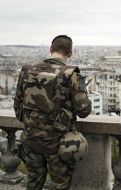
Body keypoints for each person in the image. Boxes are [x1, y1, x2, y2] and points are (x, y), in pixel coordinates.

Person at [14, 35, 91, 190]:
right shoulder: (70, 75)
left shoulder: (28, 71)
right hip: (56, 144)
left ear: (50, 49)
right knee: (60, 185)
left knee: (33, 183)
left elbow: (18, 108)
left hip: (30, 140)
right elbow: (84, 111)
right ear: (70, 53)